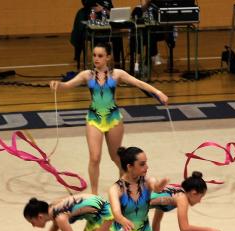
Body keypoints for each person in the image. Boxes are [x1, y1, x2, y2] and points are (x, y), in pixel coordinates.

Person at [49, 42, 168, 195]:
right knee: (94, 157)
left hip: (113, 119)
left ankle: (123, 187)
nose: (96, 59)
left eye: (100, 56)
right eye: (94, 55)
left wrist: (158, 92)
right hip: (94, 119)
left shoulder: (117, 74)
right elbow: (67, 85)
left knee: (117, 158)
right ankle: (94, 194)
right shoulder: (87, 75)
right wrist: (58, 85)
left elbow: (139, 83)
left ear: (108, 57)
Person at [70, 1, 124, 70]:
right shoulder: (86, 7)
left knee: (118, 37)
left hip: (108, 27)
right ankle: (98, 63)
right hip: (95, 29)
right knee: (98, 39)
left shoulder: (107, 1)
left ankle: (117, 63)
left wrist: (103, 9)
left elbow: (111, 13)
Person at [129, 0, 176, 73]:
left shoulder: (155, 9)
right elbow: (133, 24)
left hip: (152, 34)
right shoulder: (137, 10)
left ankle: (148, 61)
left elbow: (160, 22)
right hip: (139, 35)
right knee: (146, 36)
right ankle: (151, 56)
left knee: (151, 34)